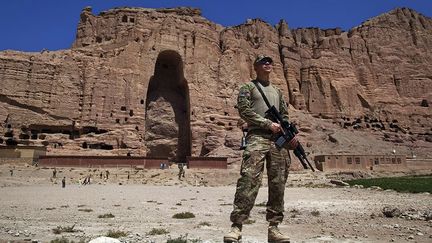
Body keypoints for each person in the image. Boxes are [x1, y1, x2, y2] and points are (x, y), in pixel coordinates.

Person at [224, 55, 298, 243]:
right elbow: (244, 111)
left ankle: (274, 228)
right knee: (249, 179)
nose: (267, 64)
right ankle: (237, 226)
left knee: (278, 182)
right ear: (255, 67)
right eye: (263, 62)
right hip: (257, 136)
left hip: (278, 141)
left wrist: (289, 134)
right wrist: (266, 123)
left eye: (270, 62)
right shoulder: (248, 88)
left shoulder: (278, 92)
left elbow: (284, 116)